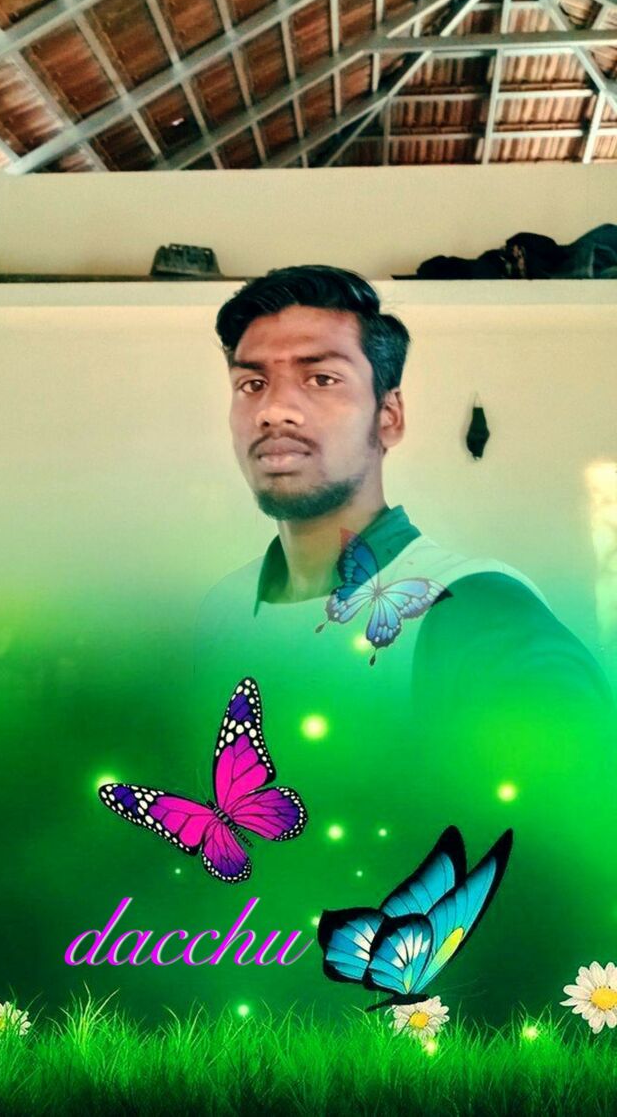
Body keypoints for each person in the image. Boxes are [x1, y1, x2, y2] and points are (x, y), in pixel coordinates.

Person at [187, 266, 615, 1023]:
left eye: (320, 378)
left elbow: (570, 880)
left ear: (388, 418)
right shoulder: (218, 611)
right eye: (251, 384)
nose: (275, 408)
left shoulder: (475, 609)